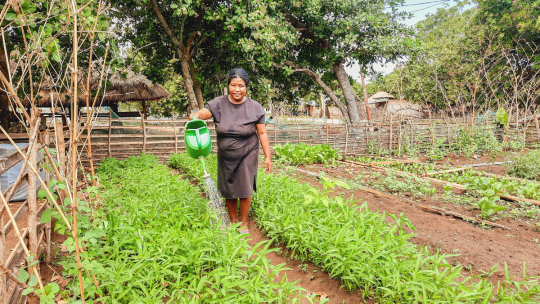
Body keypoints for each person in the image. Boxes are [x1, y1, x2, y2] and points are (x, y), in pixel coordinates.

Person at [189, 68, 272, 234]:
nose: (237, 89)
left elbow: (262, 133)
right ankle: (232, 219)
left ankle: (243, 222)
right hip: (226, 155)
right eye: (233, 85)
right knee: (229, 189)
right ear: (228, 86)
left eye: (241, 85)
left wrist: (268, 156)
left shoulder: (255, 107)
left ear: (246, 87)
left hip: (248, 151)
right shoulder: (218, 103)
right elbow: (205, 112)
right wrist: (196, 115)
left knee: (245, 187)